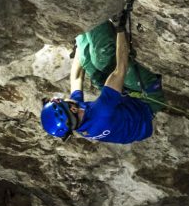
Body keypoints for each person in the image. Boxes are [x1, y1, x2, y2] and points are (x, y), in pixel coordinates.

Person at [40, 10, 158, 144]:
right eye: (62, 100)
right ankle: (94, 12)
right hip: (148, 100)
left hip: (125, 106)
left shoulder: (76, 119)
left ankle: (84, 24)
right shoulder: (101, 113)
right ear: (72, 109)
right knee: (102, 59)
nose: (64, 98)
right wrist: (121, 28)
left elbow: (77, 77)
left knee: (88, 64)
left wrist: (79, 43)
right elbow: (120, 69)